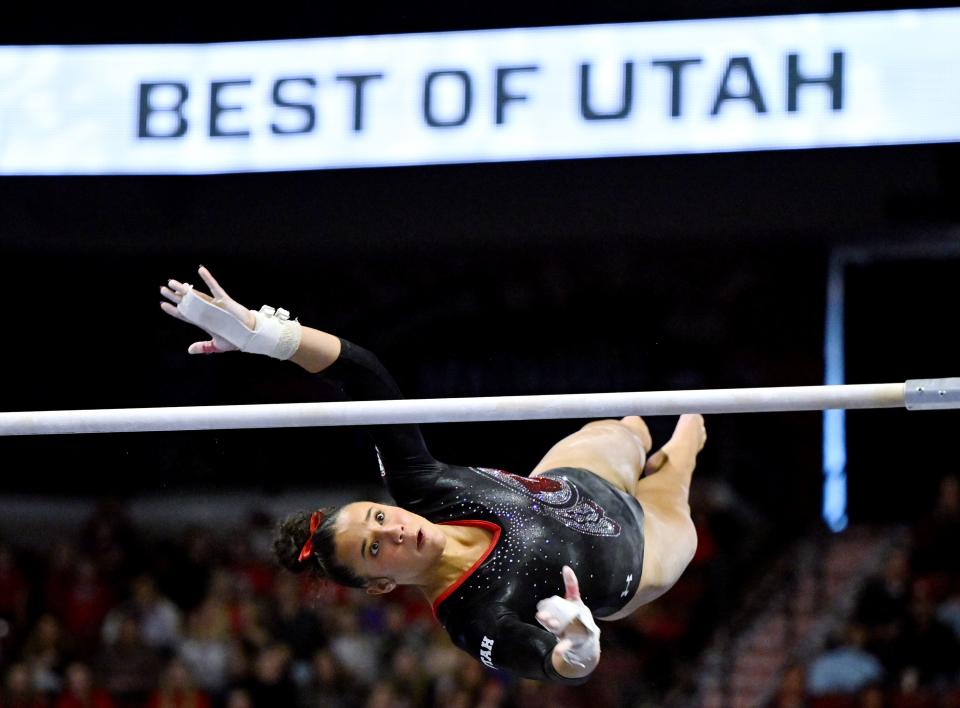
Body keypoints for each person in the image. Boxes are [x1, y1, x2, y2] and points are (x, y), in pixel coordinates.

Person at [160, 266, 705, 684]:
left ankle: (640, 444)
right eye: (376, 549)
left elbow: (365, 377)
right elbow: (546, 660)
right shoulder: (472, 616)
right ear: (382, 584)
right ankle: (675, 454)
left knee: (630, 424)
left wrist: (268, 337)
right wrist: (577, 651)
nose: (392, 530)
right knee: (687, 438)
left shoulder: (422, 488)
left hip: (574, 484)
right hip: (638, 552)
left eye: (378, 518)